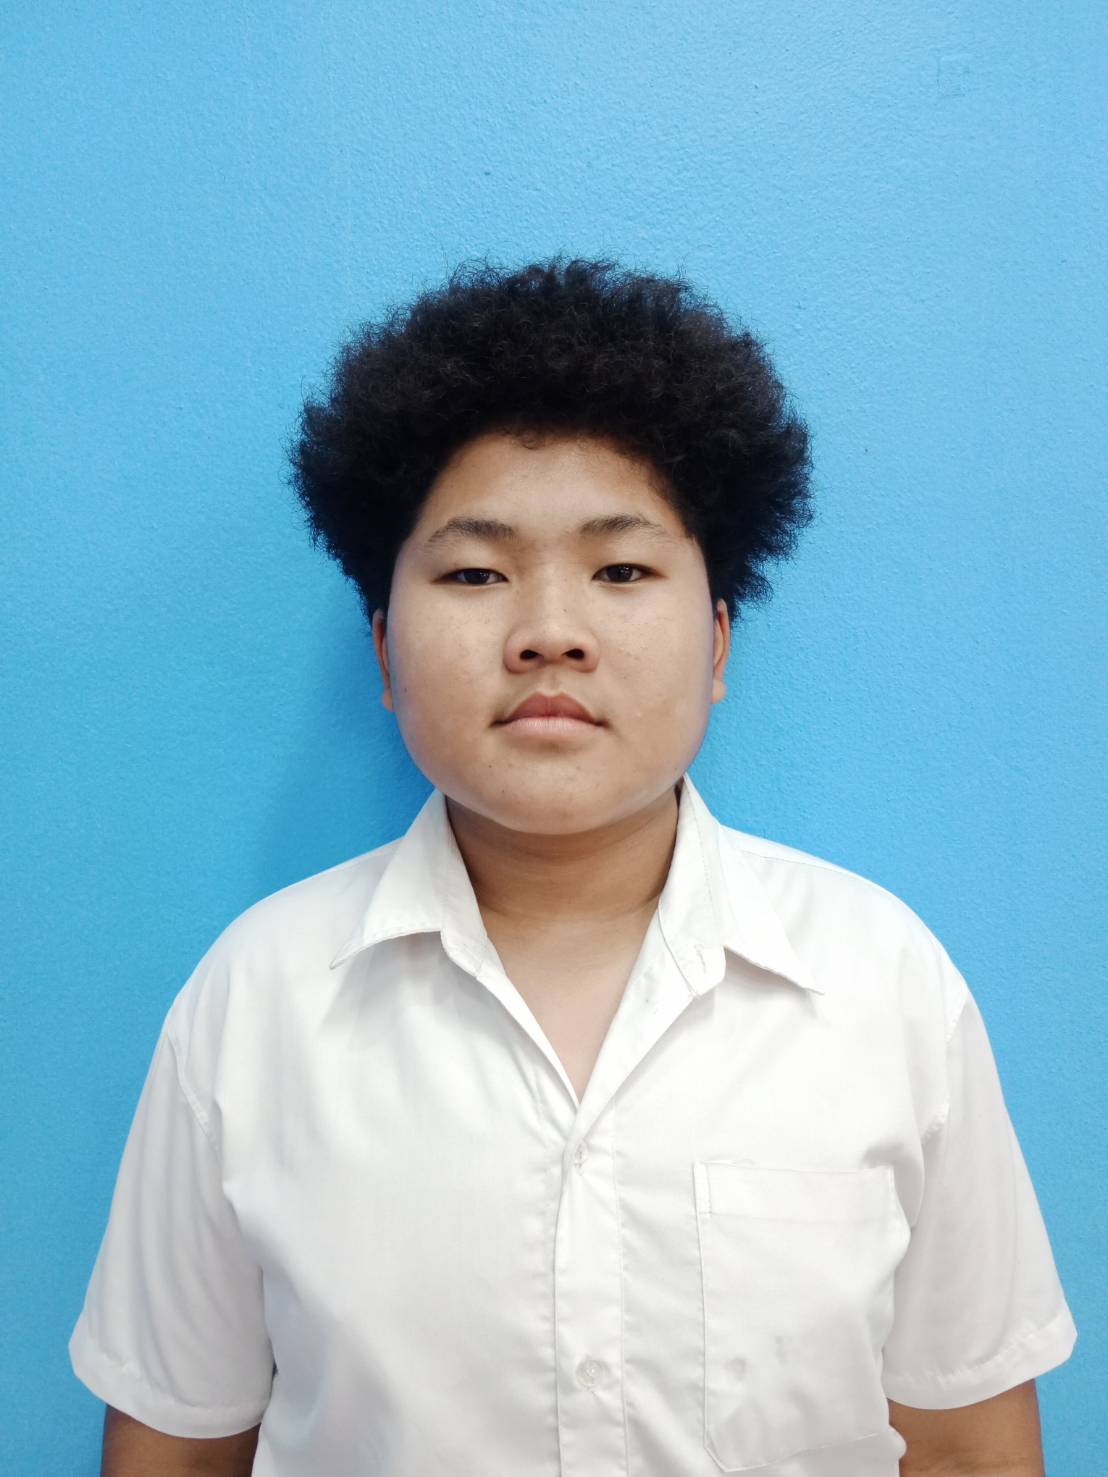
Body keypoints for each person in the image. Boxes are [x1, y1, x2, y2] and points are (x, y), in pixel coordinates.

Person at [69, 256, 1076, 1476]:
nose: (549, 631)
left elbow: (967, 1447)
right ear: (383, 651)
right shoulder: (256, 1000)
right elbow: (177, 1454)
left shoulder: (881, 982)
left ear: (716, 642)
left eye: (622, 571)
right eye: (475, 573)